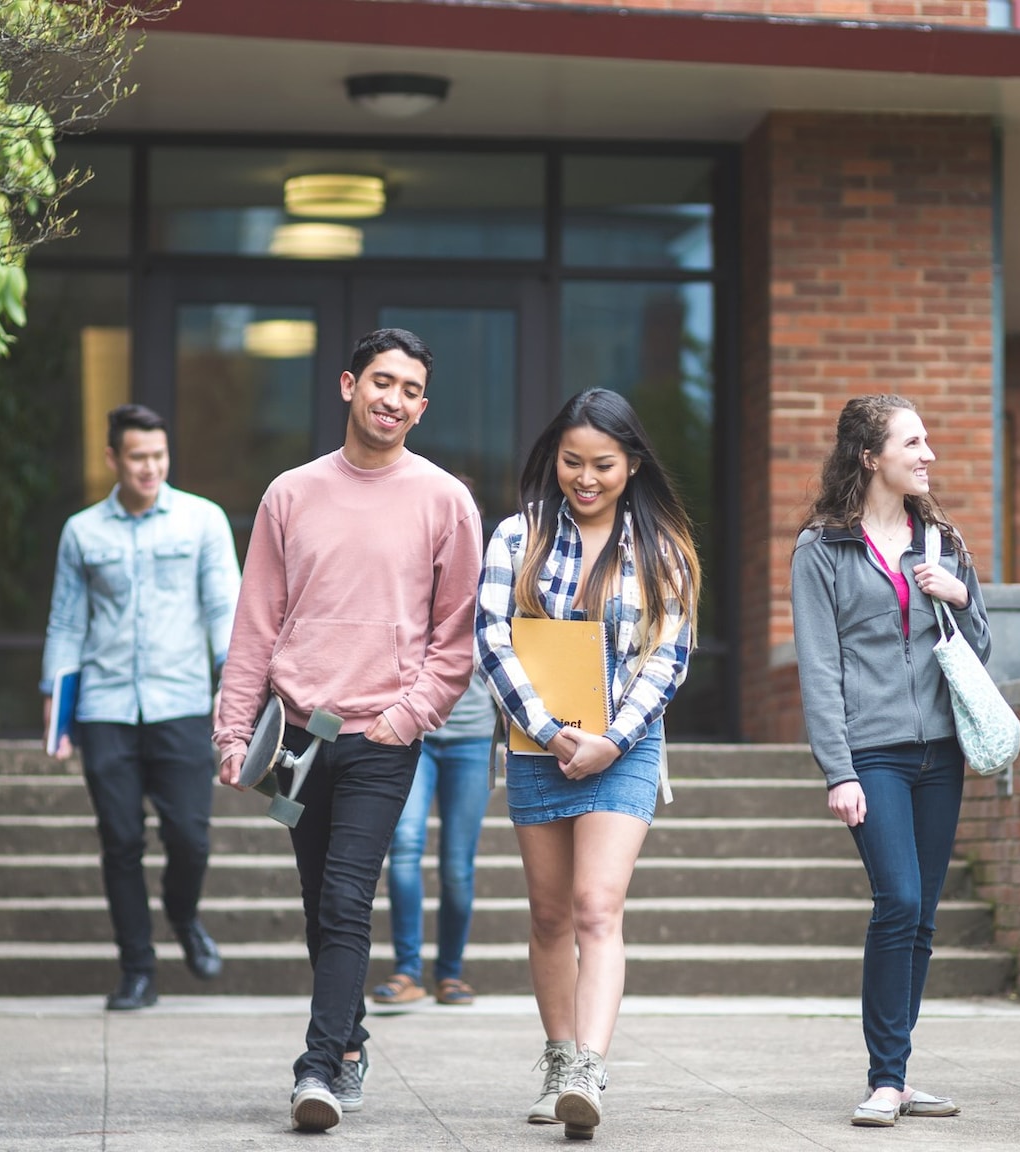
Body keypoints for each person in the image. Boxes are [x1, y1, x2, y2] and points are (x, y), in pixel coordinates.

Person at [211, 328, 482, 1134]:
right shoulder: (288, 494)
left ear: (423, 407)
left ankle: (318, 1068)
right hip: (295, 737)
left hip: (380, 738)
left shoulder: (445, 500)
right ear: (347, 385)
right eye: (380, 382)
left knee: (344, 896)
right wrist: (234, 732)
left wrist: (408, 718)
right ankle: (352, 1040)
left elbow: (456, 635)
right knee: (317, 900)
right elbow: (255, 623)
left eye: (409, 390)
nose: (392, 400)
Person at [477, 388, 700, 1141]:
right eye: (572, 462)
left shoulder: (661, 548)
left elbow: (670, 658)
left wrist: (613, 740)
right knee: (550, 914)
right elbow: (491, 637)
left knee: (597, 905)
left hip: (625, 751)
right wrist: (546, 728)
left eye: (603, 464)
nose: (586, 477)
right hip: (538, 748)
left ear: (632, 464)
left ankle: (587, 1073)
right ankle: (559, 1055)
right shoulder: (518, 535)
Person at [789, 394, 991, 1128]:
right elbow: (819, 668)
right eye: (913, 441)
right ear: (871, 457)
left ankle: (899, 1075)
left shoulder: (941, 542)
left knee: (925, 915)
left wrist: (962, 597)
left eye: (928, 440)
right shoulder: (822, 549)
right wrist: (838, 770)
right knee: (898, 901)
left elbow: (982, 652)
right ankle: (883, 1076)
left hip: (941, 751)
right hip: (872, 752)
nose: (928, 453)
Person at [40, 403, 240, 1011]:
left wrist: (232, 695)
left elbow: (223, 611)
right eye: (137, 457)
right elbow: (67, 623)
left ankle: (183, 915)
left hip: (180, 703)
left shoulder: (203, 521)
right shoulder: (82, 532)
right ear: (113, 460)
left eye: (158, 455)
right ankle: (137, 970)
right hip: (104, 708)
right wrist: (58, 718)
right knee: (121, 840)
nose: (150, 467)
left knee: (190, 838)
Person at [370, 669, 497, 1007]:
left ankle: (449, 974)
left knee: (457, 865)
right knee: (406, 845)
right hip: (414, 731)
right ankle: (407, 971)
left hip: (473, 736)